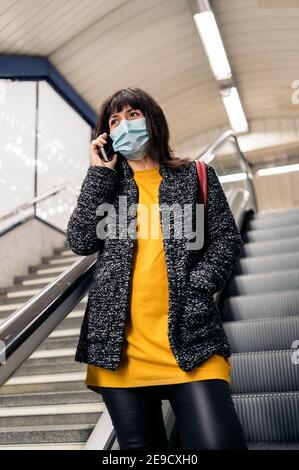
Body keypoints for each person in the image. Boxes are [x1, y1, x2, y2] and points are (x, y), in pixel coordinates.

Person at [66, 87, 248, 450]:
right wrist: (98, 174)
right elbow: (81, 241)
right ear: (106, 137)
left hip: (192, 340)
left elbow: (226, 239)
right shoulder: (107, 187)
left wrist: (198, 284)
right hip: (121, 354)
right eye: (114, 121)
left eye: (132, 114)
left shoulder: (195, 175)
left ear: (152, 120)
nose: (124, 125)